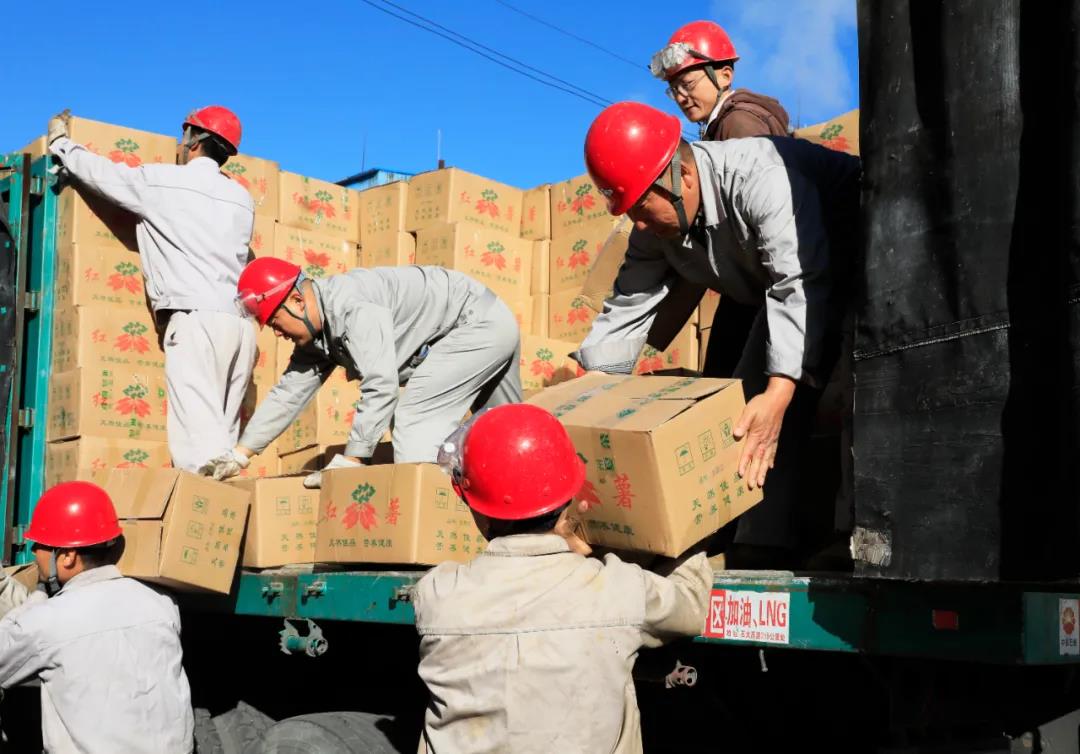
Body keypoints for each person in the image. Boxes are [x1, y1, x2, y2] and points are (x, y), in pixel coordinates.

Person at [575, 102, 860, 568]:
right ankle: (760, 543)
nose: (639, 227)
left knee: (858, 388)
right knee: (744, 403)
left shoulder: (760, 177)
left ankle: (855, 538)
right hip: (792, 286)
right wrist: (588, 391)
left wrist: (781, 391)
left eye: (643, 211)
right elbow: (627, 303)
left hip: (862, 254)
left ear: (681, 177)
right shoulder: (653, 223)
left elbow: (800, 283)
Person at [414, 403, 712, 753]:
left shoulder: (436, 594)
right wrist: (691, 523)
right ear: (570, 494)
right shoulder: (617, 589)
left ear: (474, 505)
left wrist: (561, 546)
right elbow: (690, 604)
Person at [46, 107, 257, 472]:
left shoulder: (163, 182)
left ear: (193, 140)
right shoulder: (242, 199)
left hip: (195, 322)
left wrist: (62, 144)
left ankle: (198, 522)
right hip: (239, 327)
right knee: (224, 446)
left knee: (198, 452)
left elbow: (103, 175)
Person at [199, 259, 522, 487]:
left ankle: (432, 525)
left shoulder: (351, 308)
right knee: (510, 433)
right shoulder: (317, 332)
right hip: (488, 320)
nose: (277, 333)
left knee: (414, 417)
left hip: (477, 325)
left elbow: (381, 386)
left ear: (297, 301)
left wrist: (354, 460)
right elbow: (288, 394)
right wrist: (240, 455)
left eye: (274, 323)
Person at [0, 482, 194, 752]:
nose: (33, 552)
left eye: (40, 545)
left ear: (67, 556)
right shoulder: (160, 602)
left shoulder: (47, 620)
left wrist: (39, 596)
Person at [652, 19, 792, 379]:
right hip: (758, 276)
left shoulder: (739, 127)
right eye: (674, 89)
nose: (681, 96)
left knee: (728, 384)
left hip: (761, 278)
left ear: (724, 76)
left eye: (688, 83)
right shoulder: (724, 125)